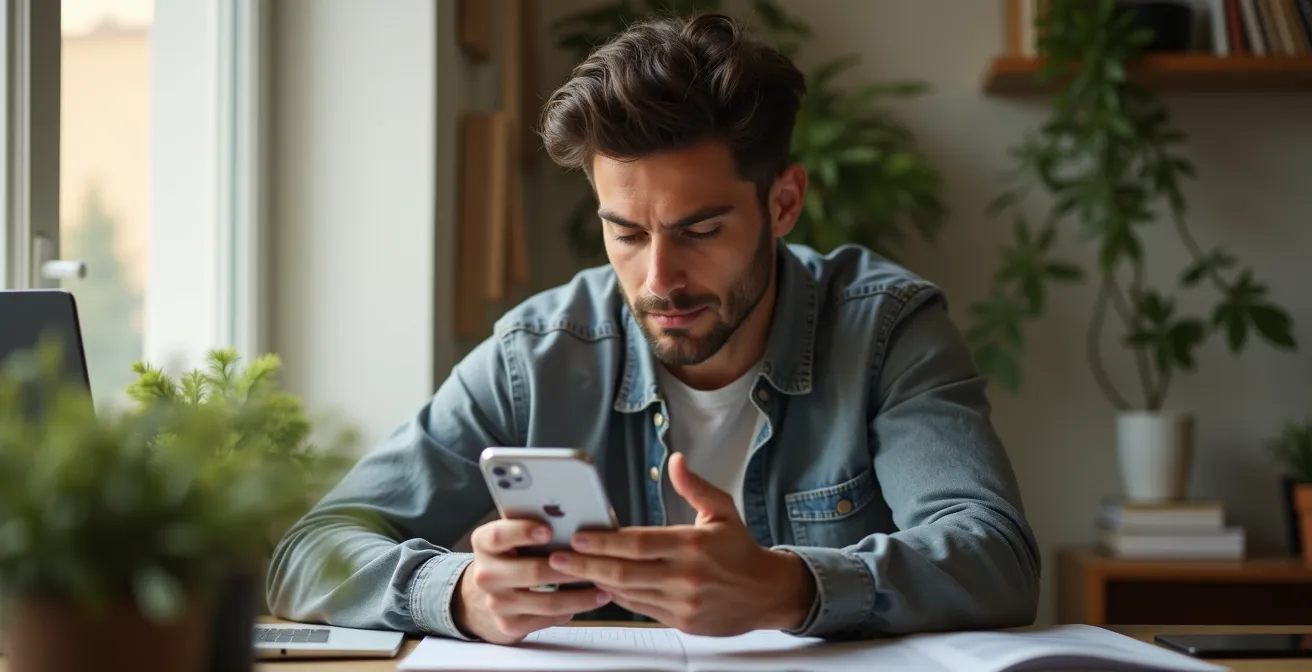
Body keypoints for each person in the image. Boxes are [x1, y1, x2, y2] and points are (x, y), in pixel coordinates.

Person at [266, 12, 1040, 645]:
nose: (658, 279)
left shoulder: (886, 331)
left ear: (783, 204)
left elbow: (996, 557)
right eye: (627, 234)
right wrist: (459, 591)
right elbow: (309, 554)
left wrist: (787, 586)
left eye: (700, 231)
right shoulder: (535, 354)